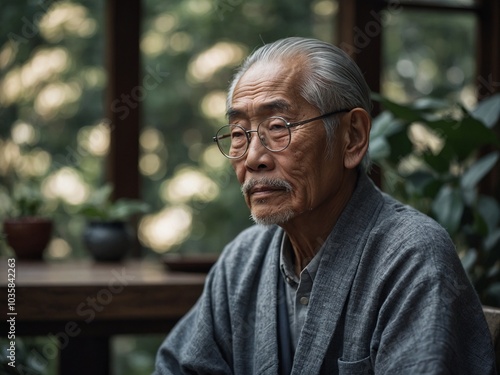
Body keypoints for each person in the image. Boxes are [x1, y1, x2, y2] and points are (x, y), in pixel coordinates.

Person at [155, 37, 496, 374]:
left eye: (277, 127)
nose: (254, 158)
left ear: (353, 137)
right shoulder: (242, 262)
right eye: (239, 132)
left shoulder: (411, 257)